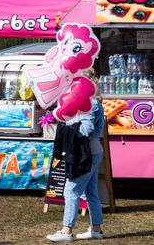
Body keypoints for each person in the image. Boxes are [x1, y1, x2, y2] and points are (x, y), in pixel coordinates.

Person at [46, 70, 105, 242]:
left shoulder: (88, 103)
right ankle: (96, 229)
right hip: (93, 151)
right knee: (91, 192)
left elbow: (86, 129)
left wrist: (66, 128)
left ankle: (66, 231)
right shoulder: (92, 102)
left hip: (85, 153)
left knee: (71, 191)